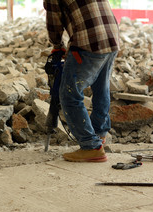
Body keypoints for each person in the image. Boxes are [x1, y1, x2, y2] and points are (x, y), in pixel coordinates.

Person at [43, 0, 120, 162]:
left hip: (88, 41)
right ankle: (99, 134)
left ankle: (91, 146)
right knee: (102, 87)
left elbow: (54, 22)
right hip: (112, 37)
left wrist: (57, 45)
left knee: (69, 95)